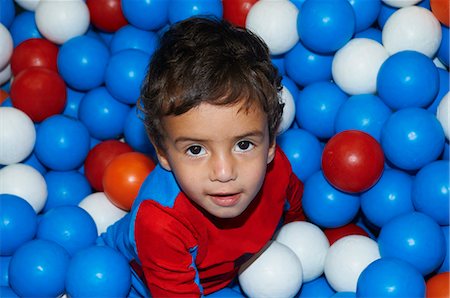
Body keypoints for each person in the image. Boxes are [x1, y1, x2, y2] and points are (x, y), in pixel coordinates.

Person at [99, 16, 305, 297]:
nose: (223, 172)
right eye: (195, 150)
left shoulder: (277, 168)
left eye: (244, 145)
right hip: (136, 283)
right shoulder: (161, 222)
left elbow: (296, 212)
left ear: (270, 143)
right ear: (163, 152)